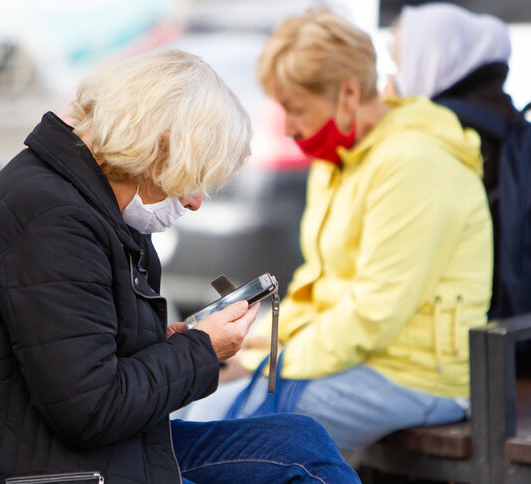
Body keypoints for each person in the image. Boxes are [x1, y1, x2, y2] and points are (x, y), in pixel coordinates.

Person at [0, 49, 358, 483]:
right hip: (26, 468)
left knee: (301, 443)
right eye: (193, 179)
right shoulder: (54, 222)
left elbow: (77, 359)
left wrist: (169, 344)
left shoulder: (85, 201)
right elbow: (92, 408)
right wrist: (201, 351)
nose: (193, 202)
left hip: (57, 449)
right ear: (160, 148)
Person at [190, 9, 493, 450]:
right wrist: (253, 345)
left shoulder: (413, 165)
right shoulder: (342, 158)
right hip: (359, 358)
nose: (290, 128)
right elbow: (322, 288)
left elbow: (373, 315)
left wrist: (273, 360)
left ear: (348, 93)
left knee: (222, 423)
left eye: (296, 110)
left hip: (419, 376)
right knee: (194, 403)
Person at [386, 2, 519, 319]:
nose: (394, 78)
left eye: (401, 62)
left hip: (467, 330)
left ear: (432, 59)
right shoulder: (500, 115)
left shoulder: (447, 133)